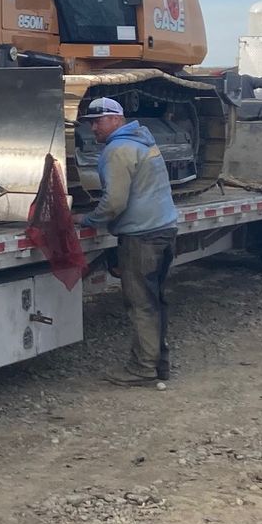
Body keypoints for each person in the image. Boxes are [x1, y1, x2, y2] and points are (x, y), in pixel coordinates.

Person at [79, 97, 182, 385]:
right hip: (164, 229)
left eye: (97, 121)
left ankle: (142, 368)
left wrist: (89, 220)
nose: (93, 128)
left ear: (116, 119)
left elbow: (114, 202)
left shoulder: (117, 149)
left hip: (142, 236)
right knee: (155, 299)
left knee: (140, 303)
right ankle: (159, 363)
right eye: (90, 123)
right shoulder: (143, 140)